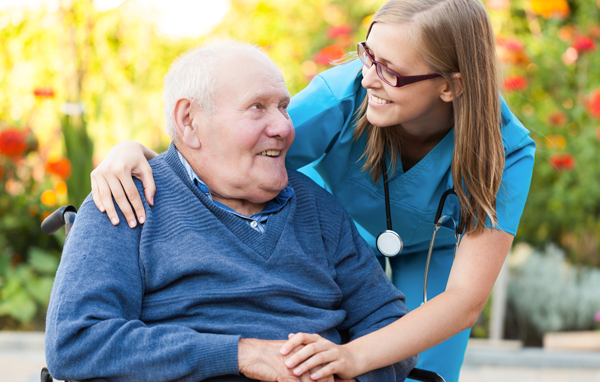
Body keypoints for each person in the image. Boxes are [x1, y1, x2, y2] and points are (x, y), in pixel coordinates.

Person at [88, 0, 535, 381]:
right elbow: (223, 154)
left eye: (391, 72)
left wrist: (351, 359)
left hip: (436, 252)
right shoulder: (341, 97)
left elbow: (463, 300)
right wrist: (134, 151)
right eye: (367, 54)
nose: (368, 77)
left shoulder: (507, 152)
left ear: (450, 87)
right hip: (343, 239)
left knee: (424, 372)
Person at [45, 41, 418, 382]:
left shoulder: (318, 208)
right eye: (258, 107)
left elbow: (389, 324)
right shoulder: (124, 201)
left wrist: (350, 371)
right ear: (189, 121)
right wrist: (240, 354)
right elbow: (76, 341)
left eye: (283, 107)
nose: (284, 127)